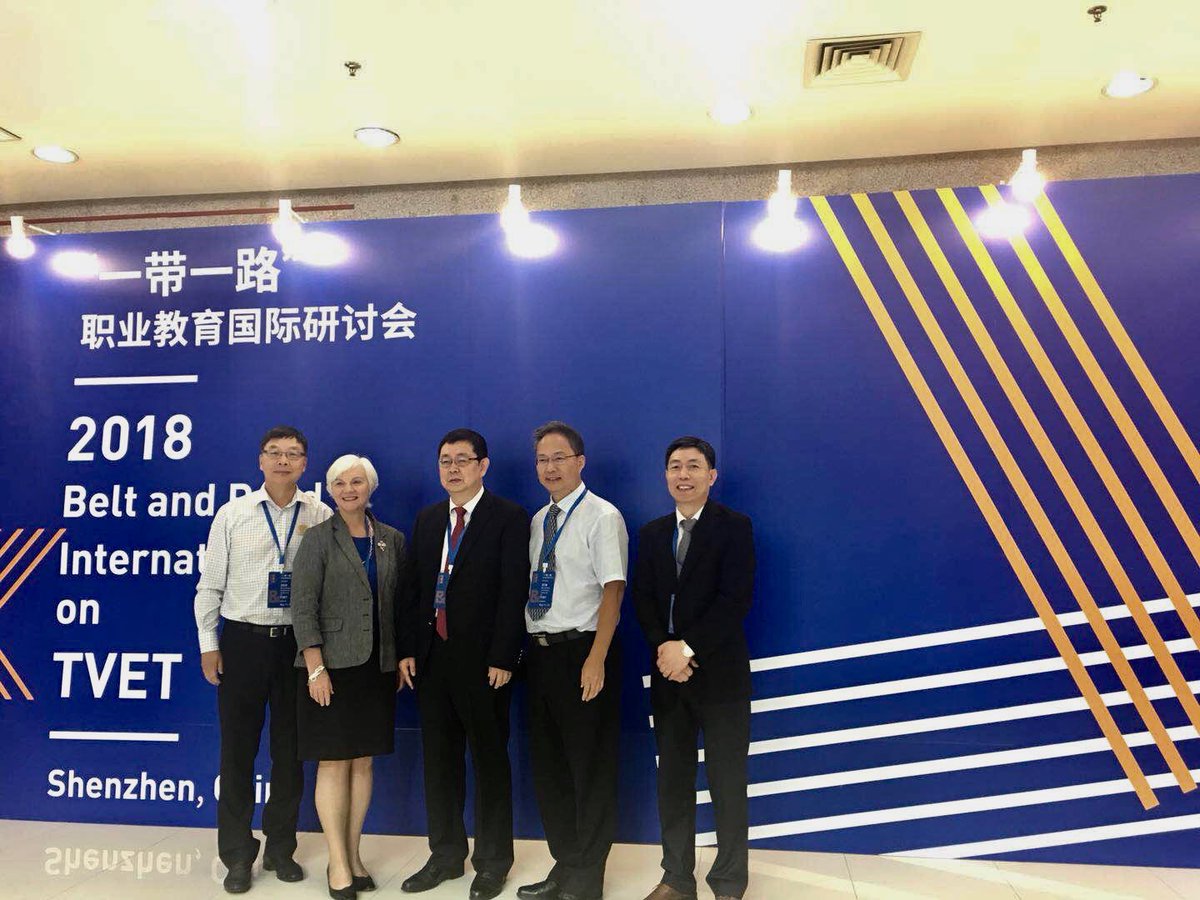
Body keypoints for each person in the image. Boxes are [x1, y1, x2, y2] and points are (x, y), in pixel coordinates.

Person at [194, 425, 332, 894]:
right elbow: (210, 584)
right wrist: (208, 644)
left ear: (304, 464)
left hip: (299, 646)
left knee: (290, 752)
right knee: (237, 752)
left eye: (293, 454)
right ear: (260, 461)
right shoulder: (233, 515)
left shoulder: (320, 513)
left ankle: (281, 848)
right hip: (243, 643)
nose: (283, 461)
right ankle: (236, 853)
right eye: (274, 453)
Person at [397, 429, 530, 900]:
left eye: (462, 460)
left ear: (483, 466)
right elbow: (414, 590)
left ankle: (493, 862)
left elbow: (516, 591)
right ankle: (446, 856)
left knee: (490, 763)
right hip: (433, 660)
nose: (452, 468)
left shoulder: (509, 518)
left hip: (484, 664)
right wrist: (408, 649)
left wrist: (504, 656)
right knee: (440, 763)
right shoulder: (429, 519)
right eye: (445, 461)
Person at [631, 437, 755, 900]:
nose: (683, 474)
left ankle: (728, 881)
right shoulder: (651, 533)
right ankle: (676, 877)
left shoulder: (735, 527)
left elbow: (734, 600)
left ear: (711, 476)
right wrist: (666, 651)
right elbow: (643, 601)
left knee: (726, 781)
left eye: (693, 466)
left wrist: (687, 649)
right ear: (666, 475)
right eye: (675, 466)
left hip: (720, 677)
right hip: (668, 679)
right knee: (674, 781)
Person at [519, 421, 628, 900]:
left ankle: (589, 878)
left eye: (559, 457)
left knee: (590, 769)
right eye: (542, 459)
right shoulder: (539, 520)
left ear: (580, 462)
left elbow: (614, 589)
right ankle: (564, 864)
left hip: (584, 653)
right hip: (540, 657)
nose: (550, 467)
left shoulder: (603, 516)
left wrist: (597, 658)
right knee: (551, 769)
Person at [291, 454, 407, 900]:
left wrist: (398, 658)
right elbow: (303, 607)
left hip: (376, 668)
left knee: (363, 762)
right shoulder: (318, 538)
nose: (348, 489)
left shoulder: (391, 539)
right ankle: (337, 863)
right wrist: (315, 666)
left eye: (356, 481)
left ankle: (354, 855)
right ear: (331, 489)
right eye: (339, 482)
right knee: (334, 762)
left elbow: (399, 605)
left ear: (370, 487)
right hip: (331, 669)